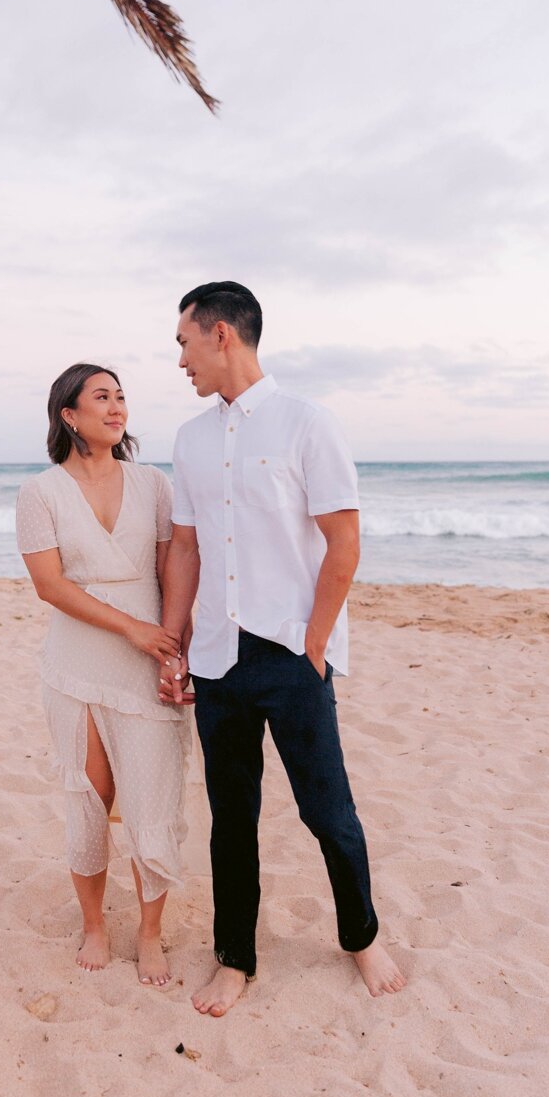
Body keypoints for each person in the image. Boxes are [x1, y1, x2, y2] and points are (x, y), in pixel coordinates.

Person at [157, 281, 407, 1017]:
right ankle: (235, 957)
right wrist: (175, 644)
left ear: (222, 333)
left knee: (328, 810)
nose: (181, 359)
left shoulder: (308, 424)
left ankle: (361, 936)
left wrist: (316, 639)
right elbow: (187, 548)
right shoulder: (191, 439)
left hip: (292, 654)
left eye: (184, 342)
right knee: (230, 816)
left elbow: (344, 541)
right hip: (216, 655)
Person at [16, 364, 188, 988]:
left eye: (121, 397)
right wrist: (130, 629)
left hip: (151, 650)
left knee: (153, 798)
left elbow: (173, 568)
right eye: (102, 397)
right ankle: (94, 925)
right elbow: (49, 584)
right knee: (90, 800)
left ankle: (149, 932)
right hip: (80, 658)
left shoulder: (154, 485)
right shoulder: (41, 491)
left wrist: (173, 647)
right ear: (69, 415)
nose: (117, 407)